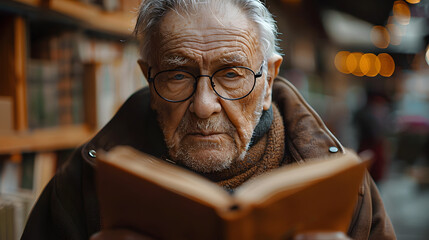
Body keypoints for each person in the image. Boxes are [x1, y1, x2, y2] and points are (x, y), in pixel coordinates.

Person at [21, 0, 396, 239]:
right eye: (178, 74)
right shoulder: (82, 184)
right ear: (150, 81)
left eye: (231, 74)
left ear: (268, 82)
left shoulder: (347, 189)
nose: (204, 106)